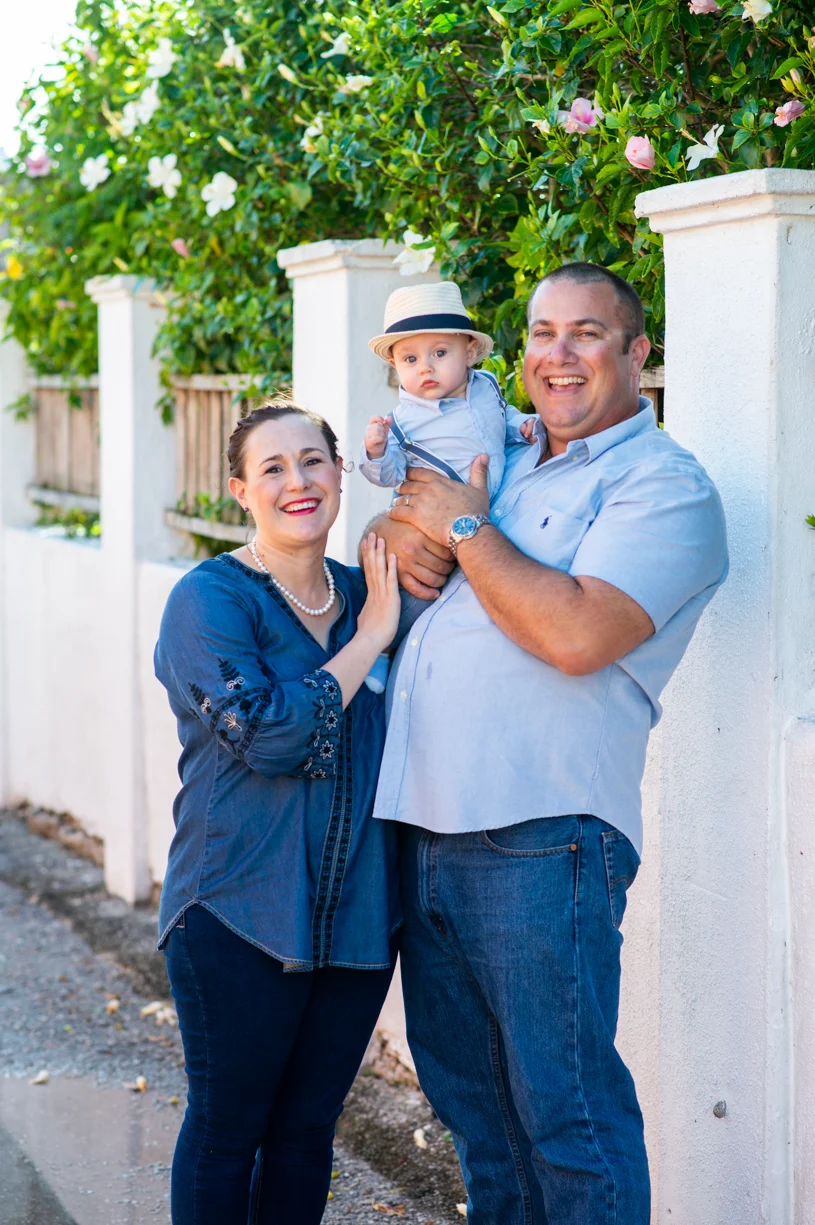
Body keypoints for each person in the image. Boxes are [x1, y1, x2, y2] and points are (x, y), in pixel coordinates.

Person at [367, 263, 729, 1224]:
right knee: (478, 1119)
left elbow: (575, 633)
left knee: (567, 1120)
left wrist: (459, 523)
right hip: (421, 826)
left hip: (542, 836)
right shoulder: (508, 450)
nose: (557, 355)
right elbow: (407, 533)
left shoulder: (663, 486)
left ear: (637, 352)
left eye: (586, 333)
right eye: (540, 333)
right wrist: (392, 529)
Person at [153, 402, 401, 1225]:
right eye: (272, 467)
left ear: (339, 473)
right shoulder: (210, 600)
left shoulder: (369, 589)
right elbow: (265, 734)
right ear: (240, 491)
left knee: (305, 1132)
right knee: (229, 1130)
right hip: (236, 908)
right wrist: (368, 640)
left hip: (357, 916)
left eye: (313, 460)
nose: (298, 481)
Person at [361, 280, 534, 495]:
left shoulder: (486, 385)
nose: (425, 368)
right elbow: (388, 476)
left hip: (496, 503)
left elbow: (499, 415)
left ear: (469, 353)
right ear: (395, 365)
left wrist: (519, 424)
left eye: (440, 353)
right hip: (436, 510)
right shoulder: (399, 425)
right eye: (411, 359)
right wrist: (376, 453)